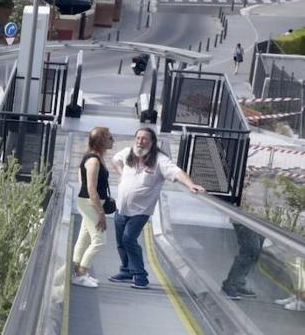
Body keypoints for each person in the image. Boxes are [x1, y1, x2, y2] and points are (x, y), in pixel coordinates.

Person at [108, 127, 206, 290]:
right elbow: (115, 159)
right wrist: (121, 172)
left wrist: (190, 184)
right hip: (121, 208)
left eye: (144, 139)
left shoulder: (160, 160)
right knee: (120, 241)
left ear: (152, 142)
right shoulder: (128, 153)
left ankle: (141, 276)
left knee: (128, 239)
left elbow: (177, 172)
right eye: (138, 138)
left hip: (140, 211)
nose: (140, 141)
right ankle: (126, 270)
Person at [72, 127, 114, 288]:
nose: (113, 140)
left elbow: (80, 177)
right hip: (90, 203)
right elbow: (90, 188)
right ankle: (81, 274)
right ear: (102, 140)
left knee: (84, 237)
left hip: (92, 203)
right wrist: (100, 213)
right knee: (99, 241)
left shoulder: (96, 157)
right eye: (110, 138)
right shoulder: (93, 160)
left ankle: (75, 270)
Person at [221, 221, 264, 299]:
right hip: (247, 218)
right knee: (250, 250)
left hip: (263, 219)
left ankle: (238, 282)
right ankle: (231, 284)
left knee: (255, 252)